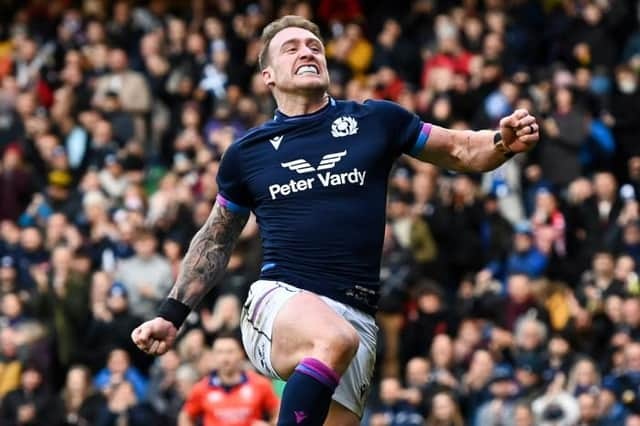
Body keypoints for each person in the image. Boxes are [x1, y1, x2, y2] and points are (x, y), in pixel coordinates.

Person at [131, 15, 539, 426]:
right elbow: (216, 240)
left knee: (338, 348)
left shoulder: (377, 121)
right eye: (291, 48)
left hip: (357, 318)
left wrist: (503, 141)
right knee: (331, 338)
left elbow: (459, 150)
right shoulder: (246, 153)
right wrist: (171, 313)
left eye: (314, 46)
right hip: (280, 300)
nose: (307, 51)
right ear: (268, 75)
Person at [178, 332, 279, 426]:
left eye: (230, 352)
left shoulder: (260, 384)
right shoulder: (201, 388)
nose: (225, 358)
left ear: (241, 354)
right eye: (220, 352)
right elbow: (185, 416)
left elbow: (278, 411)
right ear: (213, 356)